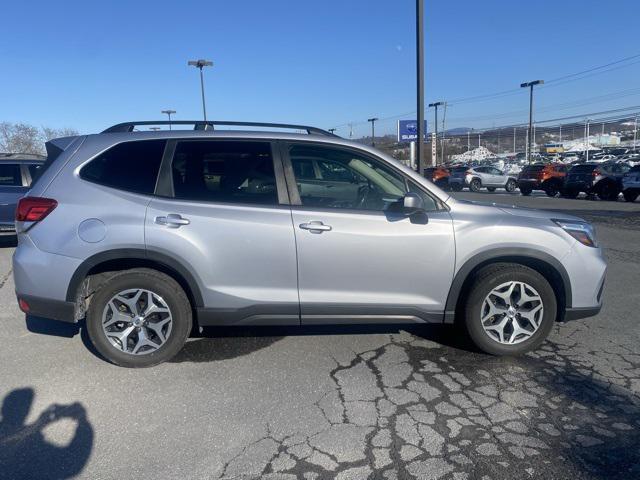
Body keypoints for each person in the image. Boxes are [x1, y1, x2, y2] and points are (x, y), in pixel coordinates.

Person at [0, 388, 93, 480]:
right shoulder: (31, 448)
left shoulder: (33, 448)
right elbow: (72, 463)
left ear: (3, 407)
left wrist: (82, 423)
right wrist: (83, 424)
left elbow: (70, 463)